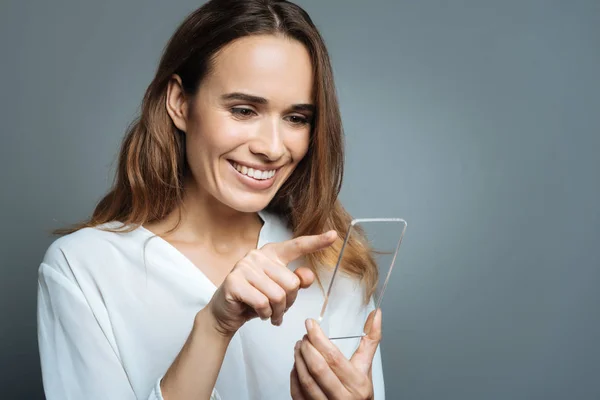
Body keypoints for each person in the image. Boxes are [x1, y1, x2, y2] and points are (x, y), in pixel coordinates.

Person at [37, 0, 385, 399]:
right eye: (243, 110)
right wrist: (214, 327)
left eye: (296, 118)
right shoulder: (85, 268)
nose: (272, 148)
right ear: (180, 103)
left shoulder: (335, 265)